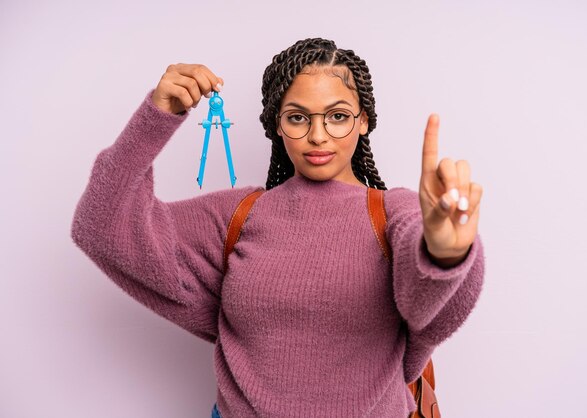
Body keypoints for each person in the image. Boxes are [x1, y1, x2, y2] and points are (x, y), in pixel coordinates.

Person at [71, 37, 485, 418]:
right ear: (276, 124)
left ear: (363, 121)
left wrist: (444, 253)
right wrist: (156, 116)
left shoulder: (395, 213)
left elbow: (429, 303)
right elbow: (102, 224)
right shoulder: (240, 214)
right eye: (298, 117)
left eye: (338, 116)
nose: (318, 136)